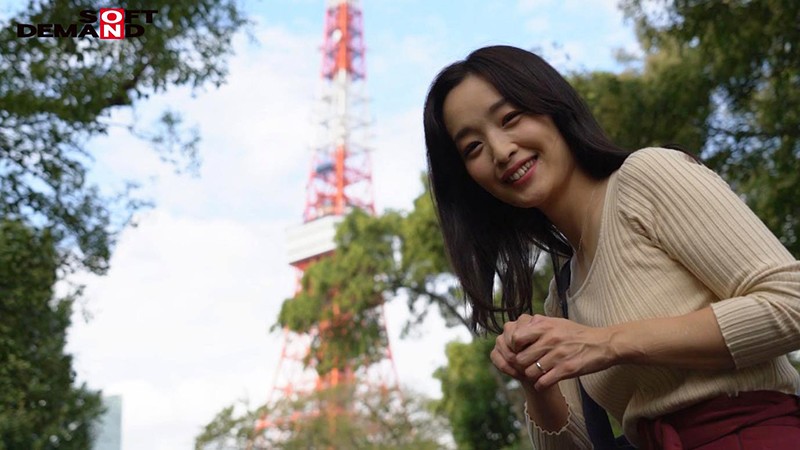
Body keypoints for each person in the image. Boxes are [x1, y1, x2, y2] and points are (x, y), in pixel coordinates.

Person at [422, 45, 800, 449]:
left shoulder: (646, 176)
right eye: (473, 148)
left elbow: (791, 300)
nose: (500, 151)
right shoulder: (563, 297)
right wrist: (534, 379)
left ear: (553, 107)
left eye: (510, 118)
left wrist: (608, 343)